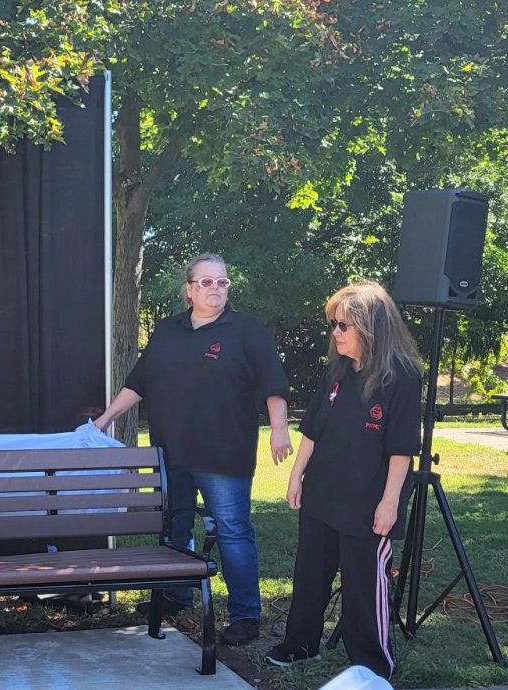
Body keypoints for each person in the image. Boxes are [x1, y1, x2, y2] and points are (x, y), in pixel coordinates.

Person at [93, 253, 292, 646]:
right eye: (206, 282)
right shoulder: (167, 331)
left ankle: (245, 616)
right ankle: (176, 594)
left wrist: (280, 430)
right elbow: (138, 383)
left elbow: (273, 385)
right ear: (189, 289)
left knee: (233, 531)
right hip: (171, 451)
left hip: (224, 454)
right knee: (174, 526)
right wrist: (105, 419)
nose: (215, 288)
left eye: (222, 282)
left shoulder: (246, 331)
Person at [265, 282, 422, 680]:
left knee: (364, 585)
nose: (335, 332)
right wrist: (296, 476)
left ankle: (372, 666)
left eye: (343, 325)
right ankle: (300, 645)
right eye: (333, 324)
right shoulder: (337, 370)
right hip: (322, 491)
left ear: (371, 327)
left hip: (367, 501)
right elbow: (313, 429)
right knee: (310, 573)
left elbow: (402, 449)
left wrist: (390, 503)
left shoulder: (402, 376)